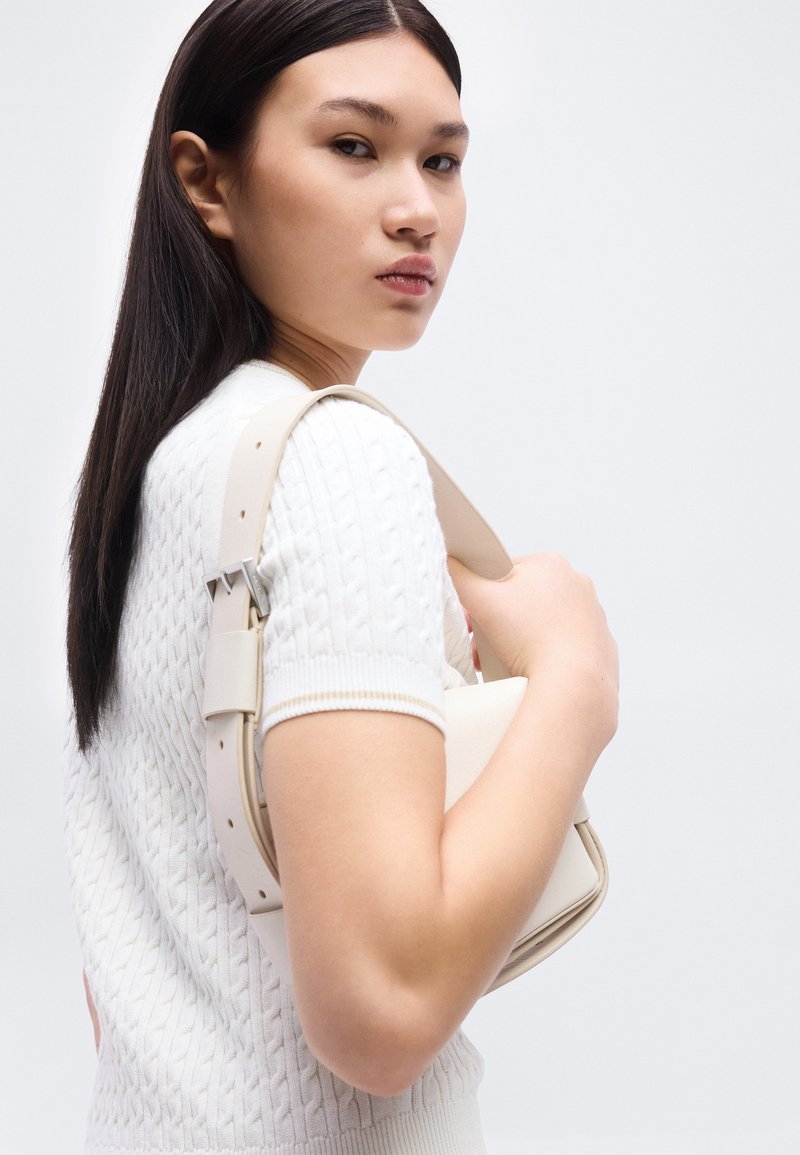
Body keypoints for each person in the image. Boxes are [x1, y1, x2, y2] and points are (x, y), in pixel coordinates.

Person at [63, 1, 619, 1152]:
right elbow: (382, 1013)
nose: (416, 209)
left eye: (441, 161)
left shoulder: (164, 469)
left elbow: (122, 970)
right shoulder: (332, 458)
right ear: (207, 182)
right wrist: (576, 685)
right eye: (353, 146)